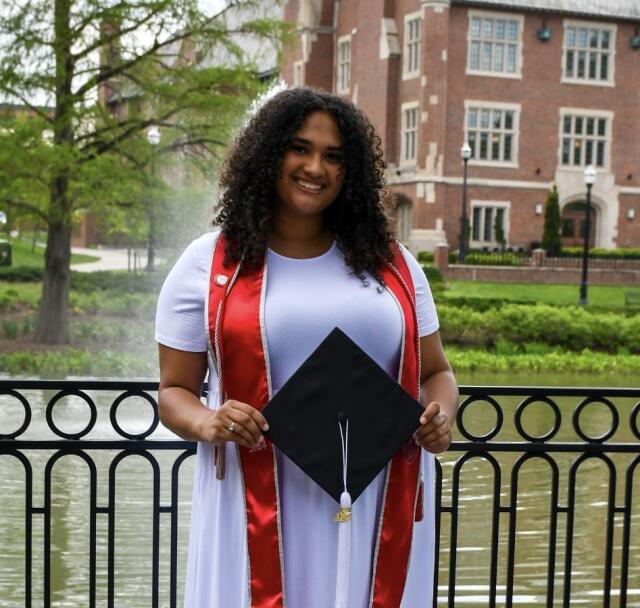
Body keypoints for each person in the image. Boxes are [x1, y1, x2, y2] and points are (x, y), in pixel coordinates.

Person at [155, 86, 459, 608]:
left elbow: (437, 373)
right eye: (300, 148)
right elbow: (173, 391)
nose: (315, 167)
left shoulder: (395, 265)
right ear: (270, 153)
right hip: (256, 499)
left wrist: (440, 415)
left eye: (334, 157)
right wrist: (207, 422)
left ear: (352, 172)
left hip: (373, 497)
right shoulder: (210, 265)